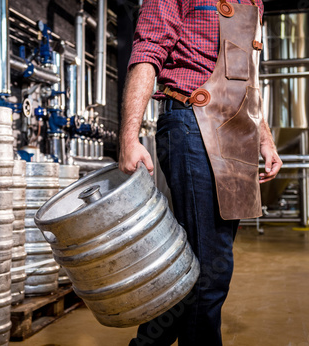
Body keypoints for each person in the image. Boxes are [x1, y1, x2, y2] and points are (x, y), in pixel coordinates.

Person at [119, 0, 282, 345]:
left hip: (238, 133)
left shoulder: (253, 2)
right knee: (210, 269)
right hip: (191, 123)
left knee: (197, 260)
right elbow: (147, 52)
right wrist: (129, 137)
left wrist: (264, 138)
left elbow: (247, 78)